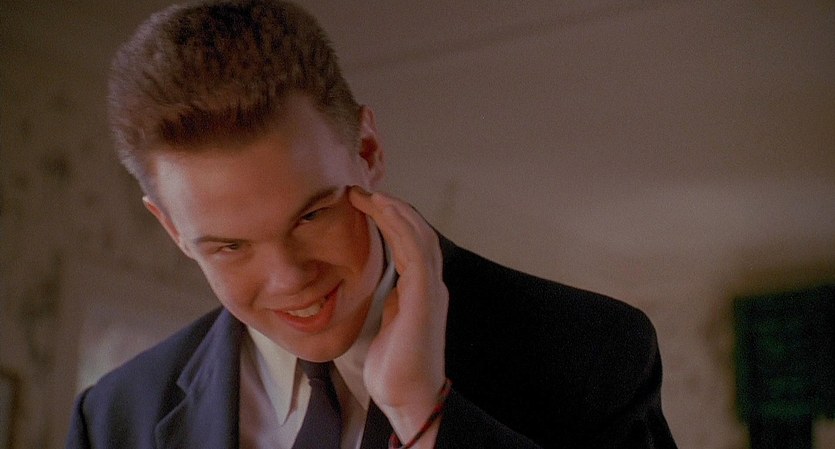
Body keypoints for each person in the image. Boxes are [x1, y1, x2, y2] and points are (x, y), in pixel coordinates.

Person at [66, 1, 677, 448]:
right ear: (173, 229)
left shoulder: (594, 353)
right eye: (229, 246)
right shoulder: (113, 418)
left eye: (312, 215)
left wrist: (427, 416)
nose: (289, 279)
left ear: (368, 149)